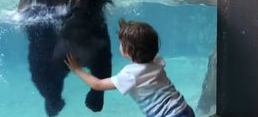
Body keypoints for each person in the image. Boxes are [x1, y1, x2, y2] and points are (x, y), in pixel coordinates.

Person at [65, 19, 195, 117]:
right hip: (184, 109)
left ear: (128, 50)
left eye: (122, 43)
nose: (120, 45)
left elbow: (97, 85)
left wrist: (77, 70)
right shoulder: (156, 60)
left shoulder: (130, 74)